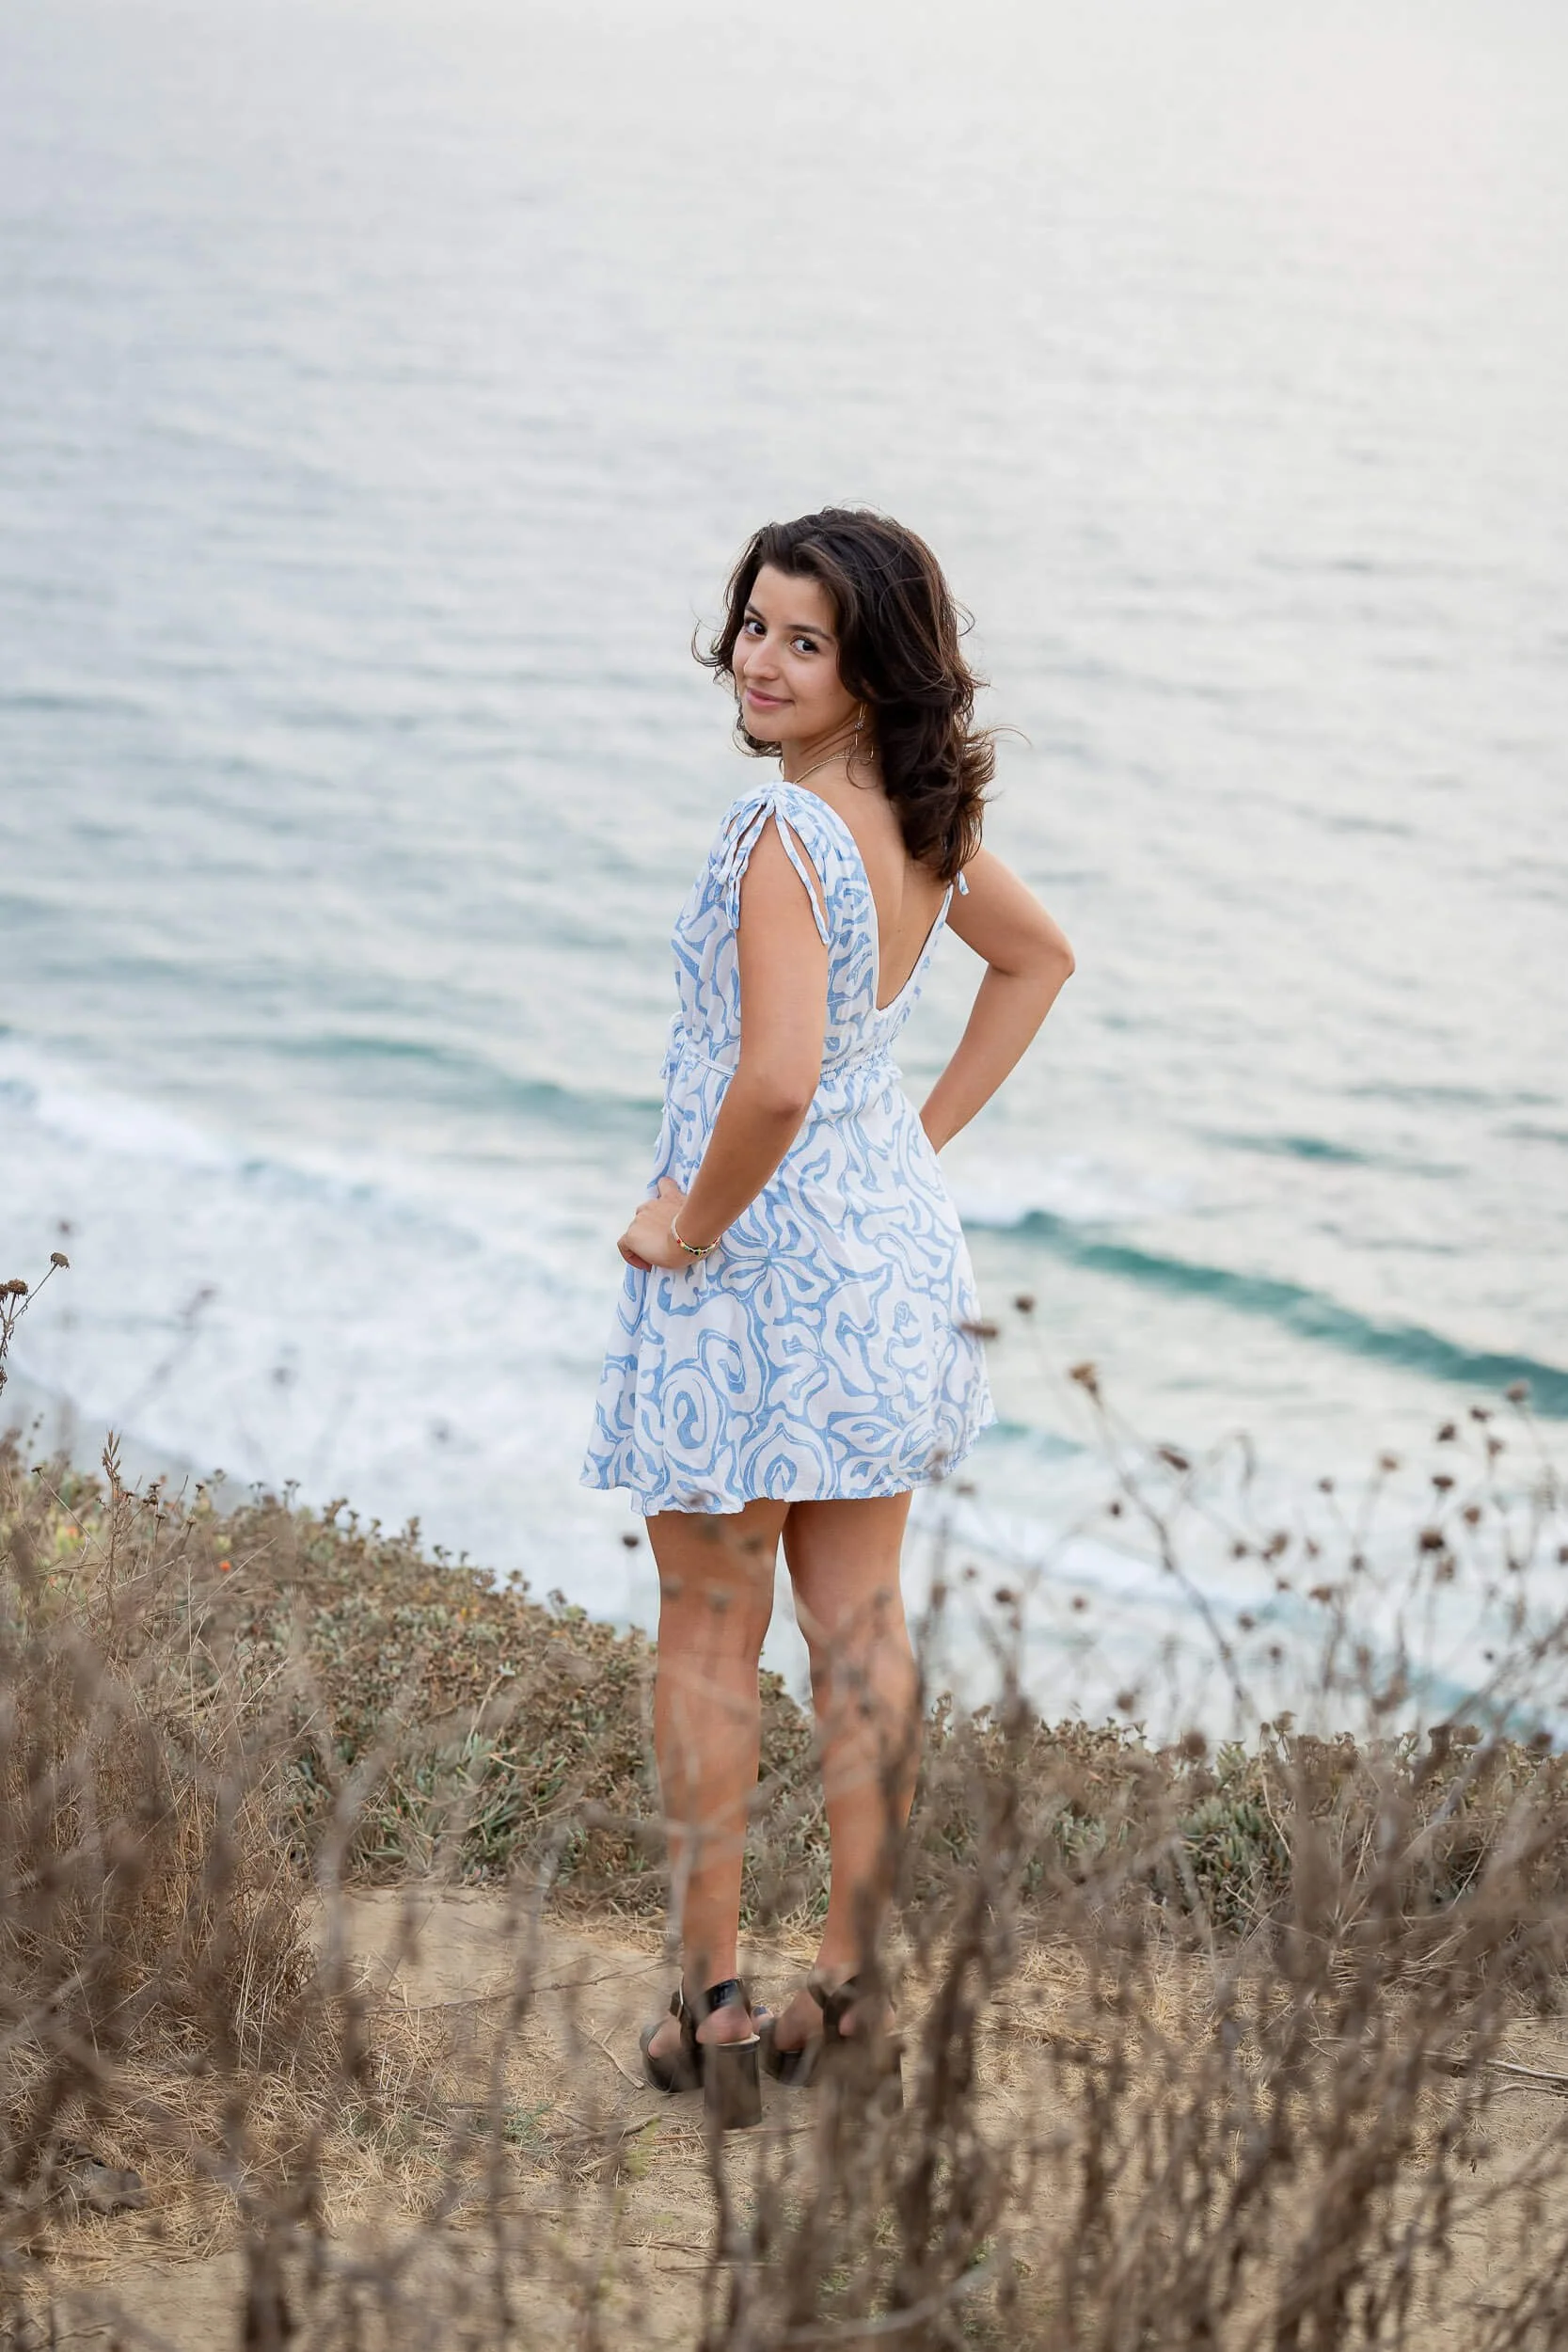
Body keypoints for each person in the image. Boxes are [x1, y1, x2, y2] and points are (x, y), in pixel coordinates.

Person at [580, 509, 1074, 2127]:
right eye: (754, 626)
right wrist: (909, 1148)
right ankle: (852, 1988)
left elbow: (778, 1078)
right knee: (857, 1628)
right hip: (885, 1263)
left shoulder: (779, 837)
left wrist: (684, 1223)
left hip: (761, 1276)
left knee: (710, 1633)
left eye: (807, 640)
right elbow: (1035, 960)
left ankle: (712, 2011)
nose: (764, 663)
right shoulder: (919, 814)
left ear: (873, 668)